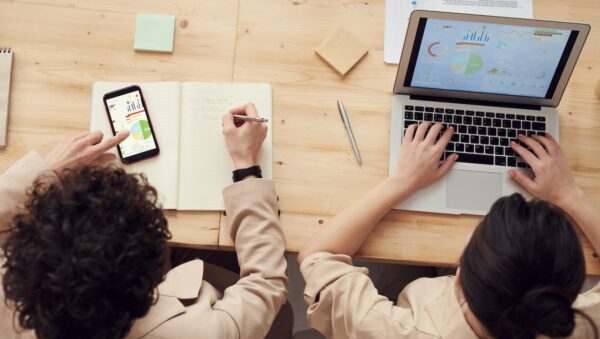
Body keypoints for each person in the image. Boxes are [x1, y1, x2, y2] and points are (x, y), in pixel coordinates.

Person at [0, 103, 292, 339]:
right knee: (284, 315)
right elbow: (264, 284)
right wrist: (246, 168)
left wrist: (47, 172)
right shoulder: (197, 333)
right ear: (151, 280)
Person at [298, 121, 600, 339]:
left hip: (408, 302)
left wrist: (400, 182)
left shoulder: (390, 330)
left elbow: (318, 255)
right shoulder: (585, 325)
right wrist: (568, 195)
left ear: (457, 277)